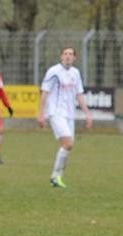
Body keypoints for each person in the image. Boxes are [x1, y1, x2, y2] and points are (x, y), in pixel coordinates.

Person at [38, 46, 92, 188]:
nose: (68, 56)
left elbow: (79, 94)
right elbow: (44, 92)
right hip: (56, 113)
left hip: (69, 115)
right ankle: (55, 177)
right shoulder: (54, 72)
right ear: (61, 56)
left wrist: (87, 113)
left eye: (71, 54)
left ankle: (57, 178)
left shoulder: (76, 73)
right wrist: (41, 113)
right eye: (65, 54)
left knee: (67, 147)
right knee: (68, 144)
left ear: (74, 58)